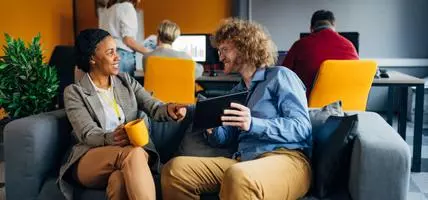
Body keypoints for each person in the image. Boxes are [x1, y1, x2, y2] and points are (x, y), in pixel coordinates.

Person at [161, 18, 312, 200]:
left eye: (225, 50)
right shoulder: (237, 92)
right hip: (244, 161)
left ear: (245, 48)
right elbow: (225, 138)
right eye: (219, 51)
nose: (220, 57)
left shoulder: (280, 76)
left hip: (287, 159)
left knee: (238, 176)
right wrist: (211, 126)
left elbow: (302, 128)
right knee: (175, 170)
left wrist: (253, 124)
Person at [58, 28, 187, 200]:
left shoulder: (126, 82)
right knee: (132, 153)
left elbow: (153, 106)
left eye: (116, 51)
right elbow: (87, 133)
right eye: (110, 52)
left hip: (131, 158)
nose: (117, 57)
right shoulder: (75, 92)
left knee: (119, 181)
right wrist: (112, 138)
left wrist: (170, 108)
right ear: (92, 58)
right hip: (90, 158)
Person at [283, 9, 359, 96]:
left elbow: (282, 76)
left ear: (311, 28)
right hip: (346, 105)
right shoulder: (349, 45)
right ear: (333, 25)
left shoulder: (300, 45)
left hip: (310, 105)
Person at [99, 0, 151, 76]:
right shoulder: (127, 7)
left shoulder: (107, 10)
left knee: (113, 86)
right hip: (122, 56)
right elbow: (128, 40)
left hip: (107, 55)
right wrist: (150, 52)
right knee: (124, 87)